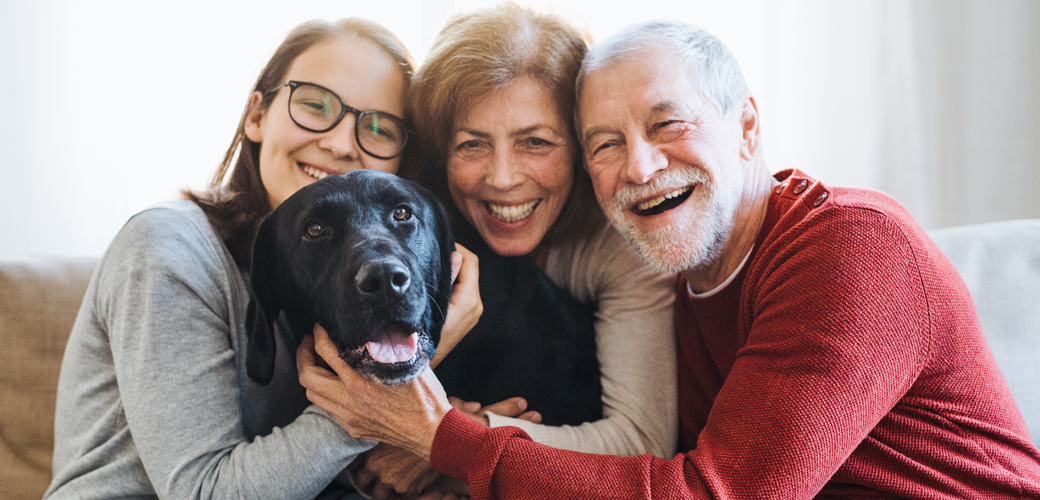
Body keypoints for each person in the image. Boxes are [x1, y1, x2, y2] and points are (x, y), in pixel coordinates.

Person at [297, 19, 1040, 499]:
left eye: (668, 124)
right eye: (607, 144)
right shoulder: (671, 265)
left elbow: (722, 494)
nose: (642, 167)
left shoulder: (850, 246)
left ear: (747, 126)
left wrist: (444, 437)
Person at [45, 17, 481, 500]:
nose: (340, 143)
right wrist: (408, 374)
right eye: (315, 105)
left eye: (377, 127)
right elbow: (203, 491)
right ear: (256, 116)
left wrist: (429, 448)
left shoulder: (328, 275)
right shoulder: (167, 244)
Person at [342, 4, 678, 498]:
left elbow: (641, 443)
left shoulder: (623, 240)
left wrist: (452, 442)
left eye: (536, 142)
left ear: (584, 146)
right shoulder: (410, 223)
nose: (502, 178)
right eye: (472, 145)